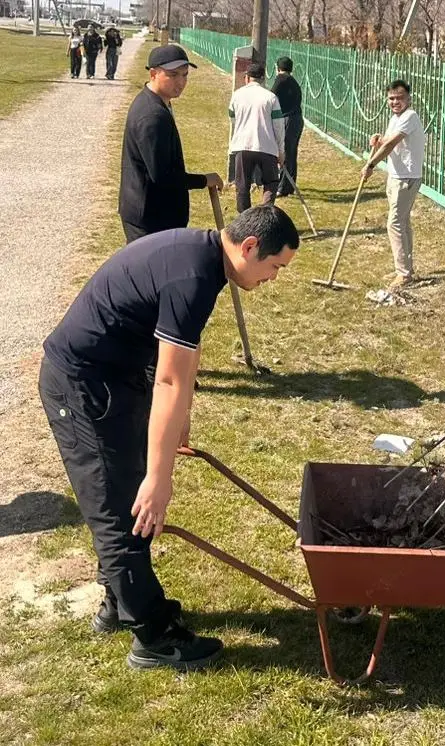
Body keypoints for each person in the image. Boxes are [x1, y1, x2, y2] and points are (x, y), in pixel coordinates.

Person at [38, 205, 301, 671]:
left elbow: (184, 350)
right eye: (274, 267)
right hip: (80, 384)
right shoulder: (194, 276)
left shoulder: (202, 256)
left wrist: (182, 417)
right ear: (249, 247)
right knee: (121, 510)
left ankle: (119, 603)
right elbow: (168, 383)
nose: (272, 279)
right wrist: (160, 478)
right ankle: (155, 639)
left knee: (124, 495)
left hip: (113, 377)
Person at [119, 44, 223, 244]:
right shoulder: (152, 116)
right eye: (173, 75)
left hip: (153, 214)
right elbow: (163, 177)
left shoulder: (159, 103)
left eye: (185, 75)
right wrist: (204, 180)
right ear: (154, 73)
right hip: (151, 219)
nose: (181, 82)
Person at [362, 79, 426, 290]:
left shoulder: (410, 116)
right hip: (396, 175)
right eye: (391, 98)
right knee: (403, 222)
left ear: (408, 98)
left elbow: (392, 144)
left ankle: (404, 274)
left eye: (399, 98)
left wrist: (371, 164)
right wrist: (377, 139)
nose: (395, 102)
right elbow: (387, 140)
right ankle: (406, 267)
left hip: (406, 177)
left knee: (394, 223)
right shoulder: (396, 118)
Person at [228, 62, 285, 213]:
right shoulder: (271, 97)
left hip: (243, 145)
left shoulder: (237, 95)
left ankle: (243, 219)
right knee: (271, 183)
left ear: (246, 78)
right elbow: (278, 126)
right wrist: (281, 150)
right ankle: (265, 216)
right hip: (267, 146)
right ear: (263, 79)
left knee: (242, 186)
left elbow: (233, 119)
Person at [271, 56, 303, 198]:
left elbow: (271, 97)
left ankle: (283, 187)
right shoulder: (293, 82)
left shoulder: (281, 80)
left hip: (288, 119)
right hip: (297, 119)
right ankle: (290, 185)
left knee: (285, 153)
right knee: (292, 152)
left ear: (278, 68)